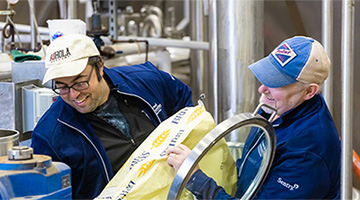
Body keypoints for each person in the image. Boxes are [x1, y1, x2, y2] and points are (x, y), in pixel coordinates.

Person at [167, 36, 340, 199]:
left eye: (277, 83)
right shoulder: (278, 109)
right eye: (266, 76)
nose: (262, 89)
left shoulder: (308, 153)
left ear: (309, 91)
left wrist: (195, 179)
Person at [31, 34, 193, 199]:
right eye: (62, 86)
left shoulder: (146, 80)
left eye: (80, 82)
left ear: (100, 66)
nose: (74, 95)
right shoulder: (48, 135)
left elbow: (184, 101)